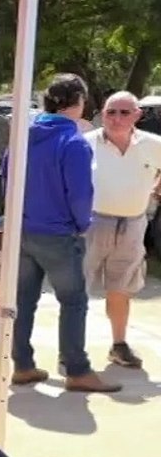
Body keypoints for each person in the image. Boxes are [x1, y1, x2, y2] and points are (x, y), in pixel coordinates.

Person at [6, 74, 120, 392]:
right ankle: (77, 369)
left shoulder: (22, 138)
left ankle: (22, 364)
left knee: (23, 300)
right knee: (73, 301)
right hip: (58, 234)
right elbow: (80, 194)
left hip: (22, 230)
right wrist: (82, 225)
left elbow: (6, 180)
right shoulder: (73, 143)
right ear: (79, 101)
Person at [84, 91, 161, 369]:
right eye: (110, 112)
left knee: (121, 289)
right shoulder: (85, 144)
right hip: (91, 224)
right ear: (102, 114)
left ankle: (119, 345)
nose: (116, 118)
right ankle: (71, 350)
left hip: (132, 224)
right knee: (76, 290)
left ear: (137, 115)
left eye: (124, 112)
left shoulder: (153, 145)